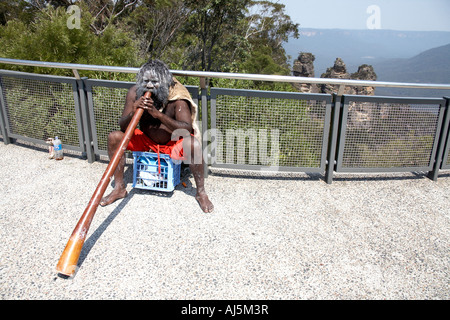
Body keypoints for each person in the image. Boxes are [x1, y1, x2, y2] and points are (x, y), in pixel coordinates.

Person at [100, 59, 214, 213]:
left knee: (193, 144)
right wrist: (134, 111)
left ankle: (201, 193)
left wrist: (157, 114)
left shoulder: (177, 97)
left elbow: (186, 130)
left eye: (154, 82)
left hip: (171, 143)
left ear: (164, 82)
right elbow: (123, 127)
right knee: (114, 137)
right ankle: (119, 188)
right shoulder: (135, 93)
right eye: (145, 81)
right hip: (146, 141)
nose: (149, 86)